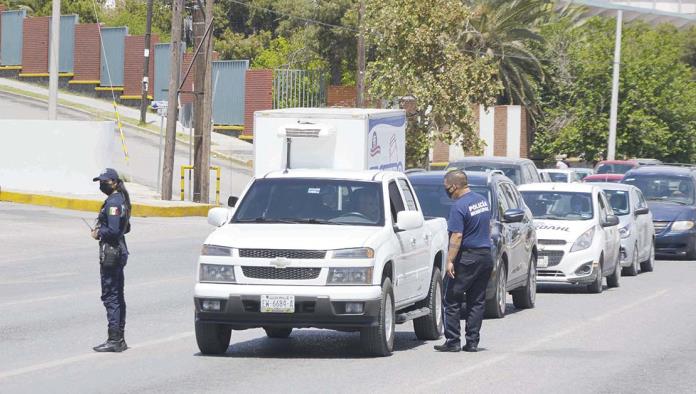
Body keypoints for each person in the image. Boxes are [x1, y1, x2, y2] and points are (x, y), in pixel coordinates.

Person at [434, 170, 493, 353]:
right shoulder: (482, 200)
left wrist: (450, 261)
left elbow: (457, 236)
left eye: (446, 188)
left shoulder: (459, 206)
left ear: (454, 186)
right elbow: (488, 226)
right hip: (485, 256)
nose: (446, 191)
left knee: (452, 298)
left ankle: (453, 341)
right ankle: (472, 342)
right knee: (477, 300)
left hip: (467, 258)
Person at [91, 168, 131, 353]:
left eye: (104, 182)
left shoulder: (114, 203)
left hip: (112, 253)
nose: (101, 185)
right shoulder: (121, 200)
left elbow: (115, 231)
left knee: (111, 296)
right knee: (116, 294)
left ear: (114, 182)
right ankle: (119, 338)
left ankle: (114, 339)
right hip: (117, 251)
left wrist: (99, 232)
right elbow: (127, 227)